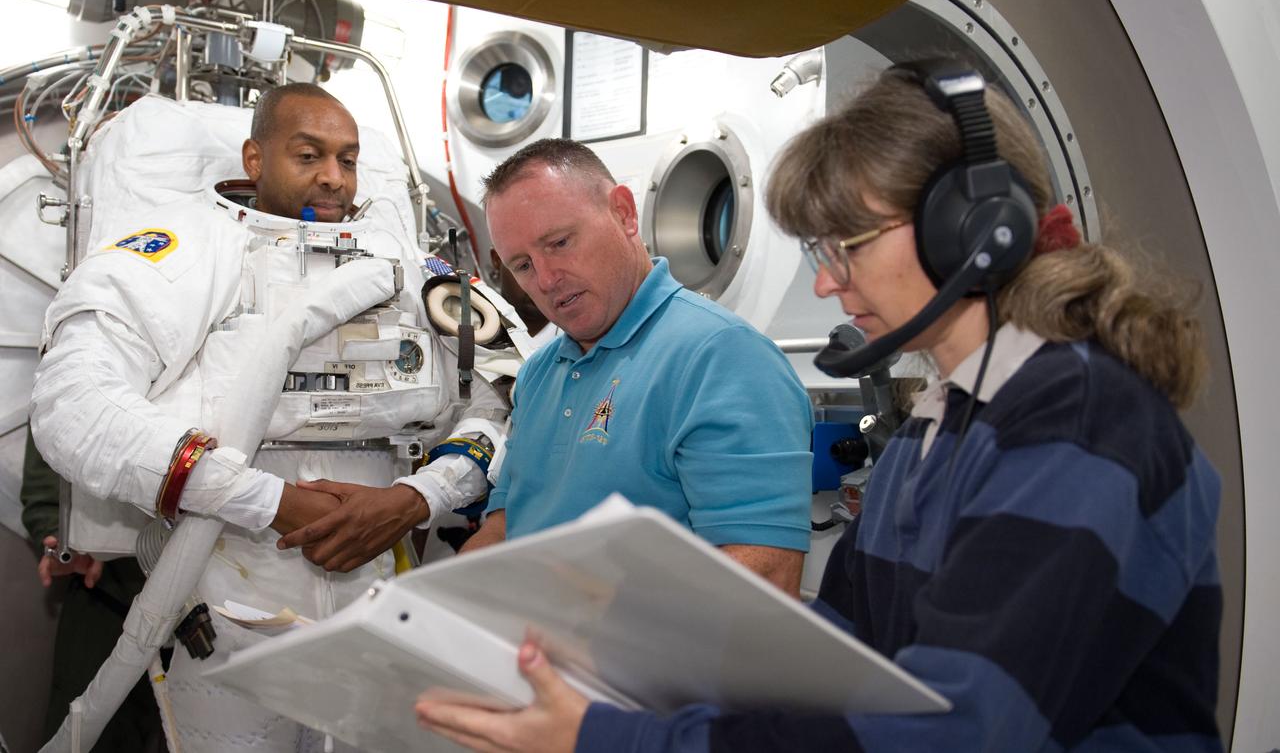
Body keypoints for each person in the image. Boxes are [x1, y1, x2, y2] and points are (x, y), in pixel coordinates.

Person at [416, 65, 1223, 752]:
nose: (829, 283)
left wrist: (609, 736)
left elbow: (958, 729)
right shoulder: (934, 433)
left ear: (972, 230)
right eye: (818, 253)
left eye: (850, 246)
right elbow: (826, 662)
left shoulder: (1079, 422)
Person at [30, 83, 507, 752]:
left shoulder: (408, 265)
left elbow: (508, 398)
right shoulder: (183, 249)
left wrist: (414, 498)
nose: (332, 177)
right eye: (308, 155)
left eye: (347, 158)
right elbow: (73, 405)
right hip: (227, 597)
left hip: (380, 583)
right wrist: (269, 501)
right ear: (255, 159)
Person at [459, 138, 813, 597]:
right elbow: (506, 525)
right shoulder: (538, 373)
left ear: (624, 213)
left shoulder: (723, 358)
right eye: (523, 265)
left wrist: (591, 634)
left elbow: (764, 574)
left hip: (642, 663)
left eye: (560, 243)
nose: (545, 281)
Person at [21, 430, 165, 752]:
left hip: (223, 604)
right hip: (108, 597)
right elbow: (46, 477)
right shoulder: (78, 384)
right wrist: (63, 536)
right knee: (86, 733)